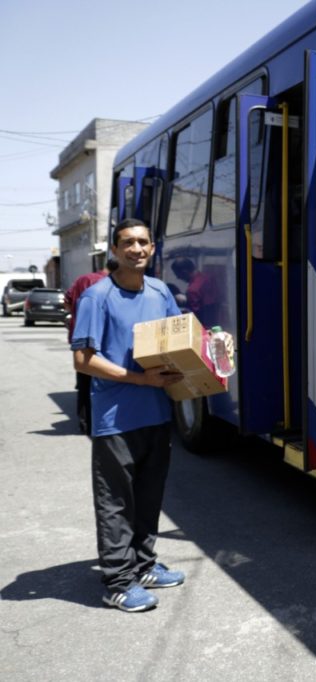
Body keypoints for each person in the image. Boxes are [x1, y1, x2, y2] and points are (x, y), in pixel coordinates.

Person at [71, 218, 188, 613]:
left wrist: (211, 349)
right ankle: (118, 582)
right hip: (115, 419)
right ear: (115, 250)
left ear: (153, 248)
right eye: (128, 243)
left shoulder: (159, 291)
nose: (136, 249)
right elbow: (84, 360)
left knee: (149, 496)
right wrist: (140, 379)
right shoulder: (97, 297)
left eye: (143, 242)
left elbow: (177, 338)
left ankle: (145, 565)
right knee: (116, 502)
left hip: (156, 413)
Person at [66, 258, 118, 435]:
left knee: (83, 382)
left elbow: (67, 301)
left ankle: (84, 422)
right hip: (101, 339)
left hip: (79, 336)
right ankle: (100, 422)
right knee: (102, 380)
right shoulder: (110, 284)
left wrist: (75, 315)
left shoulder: (82, 279)